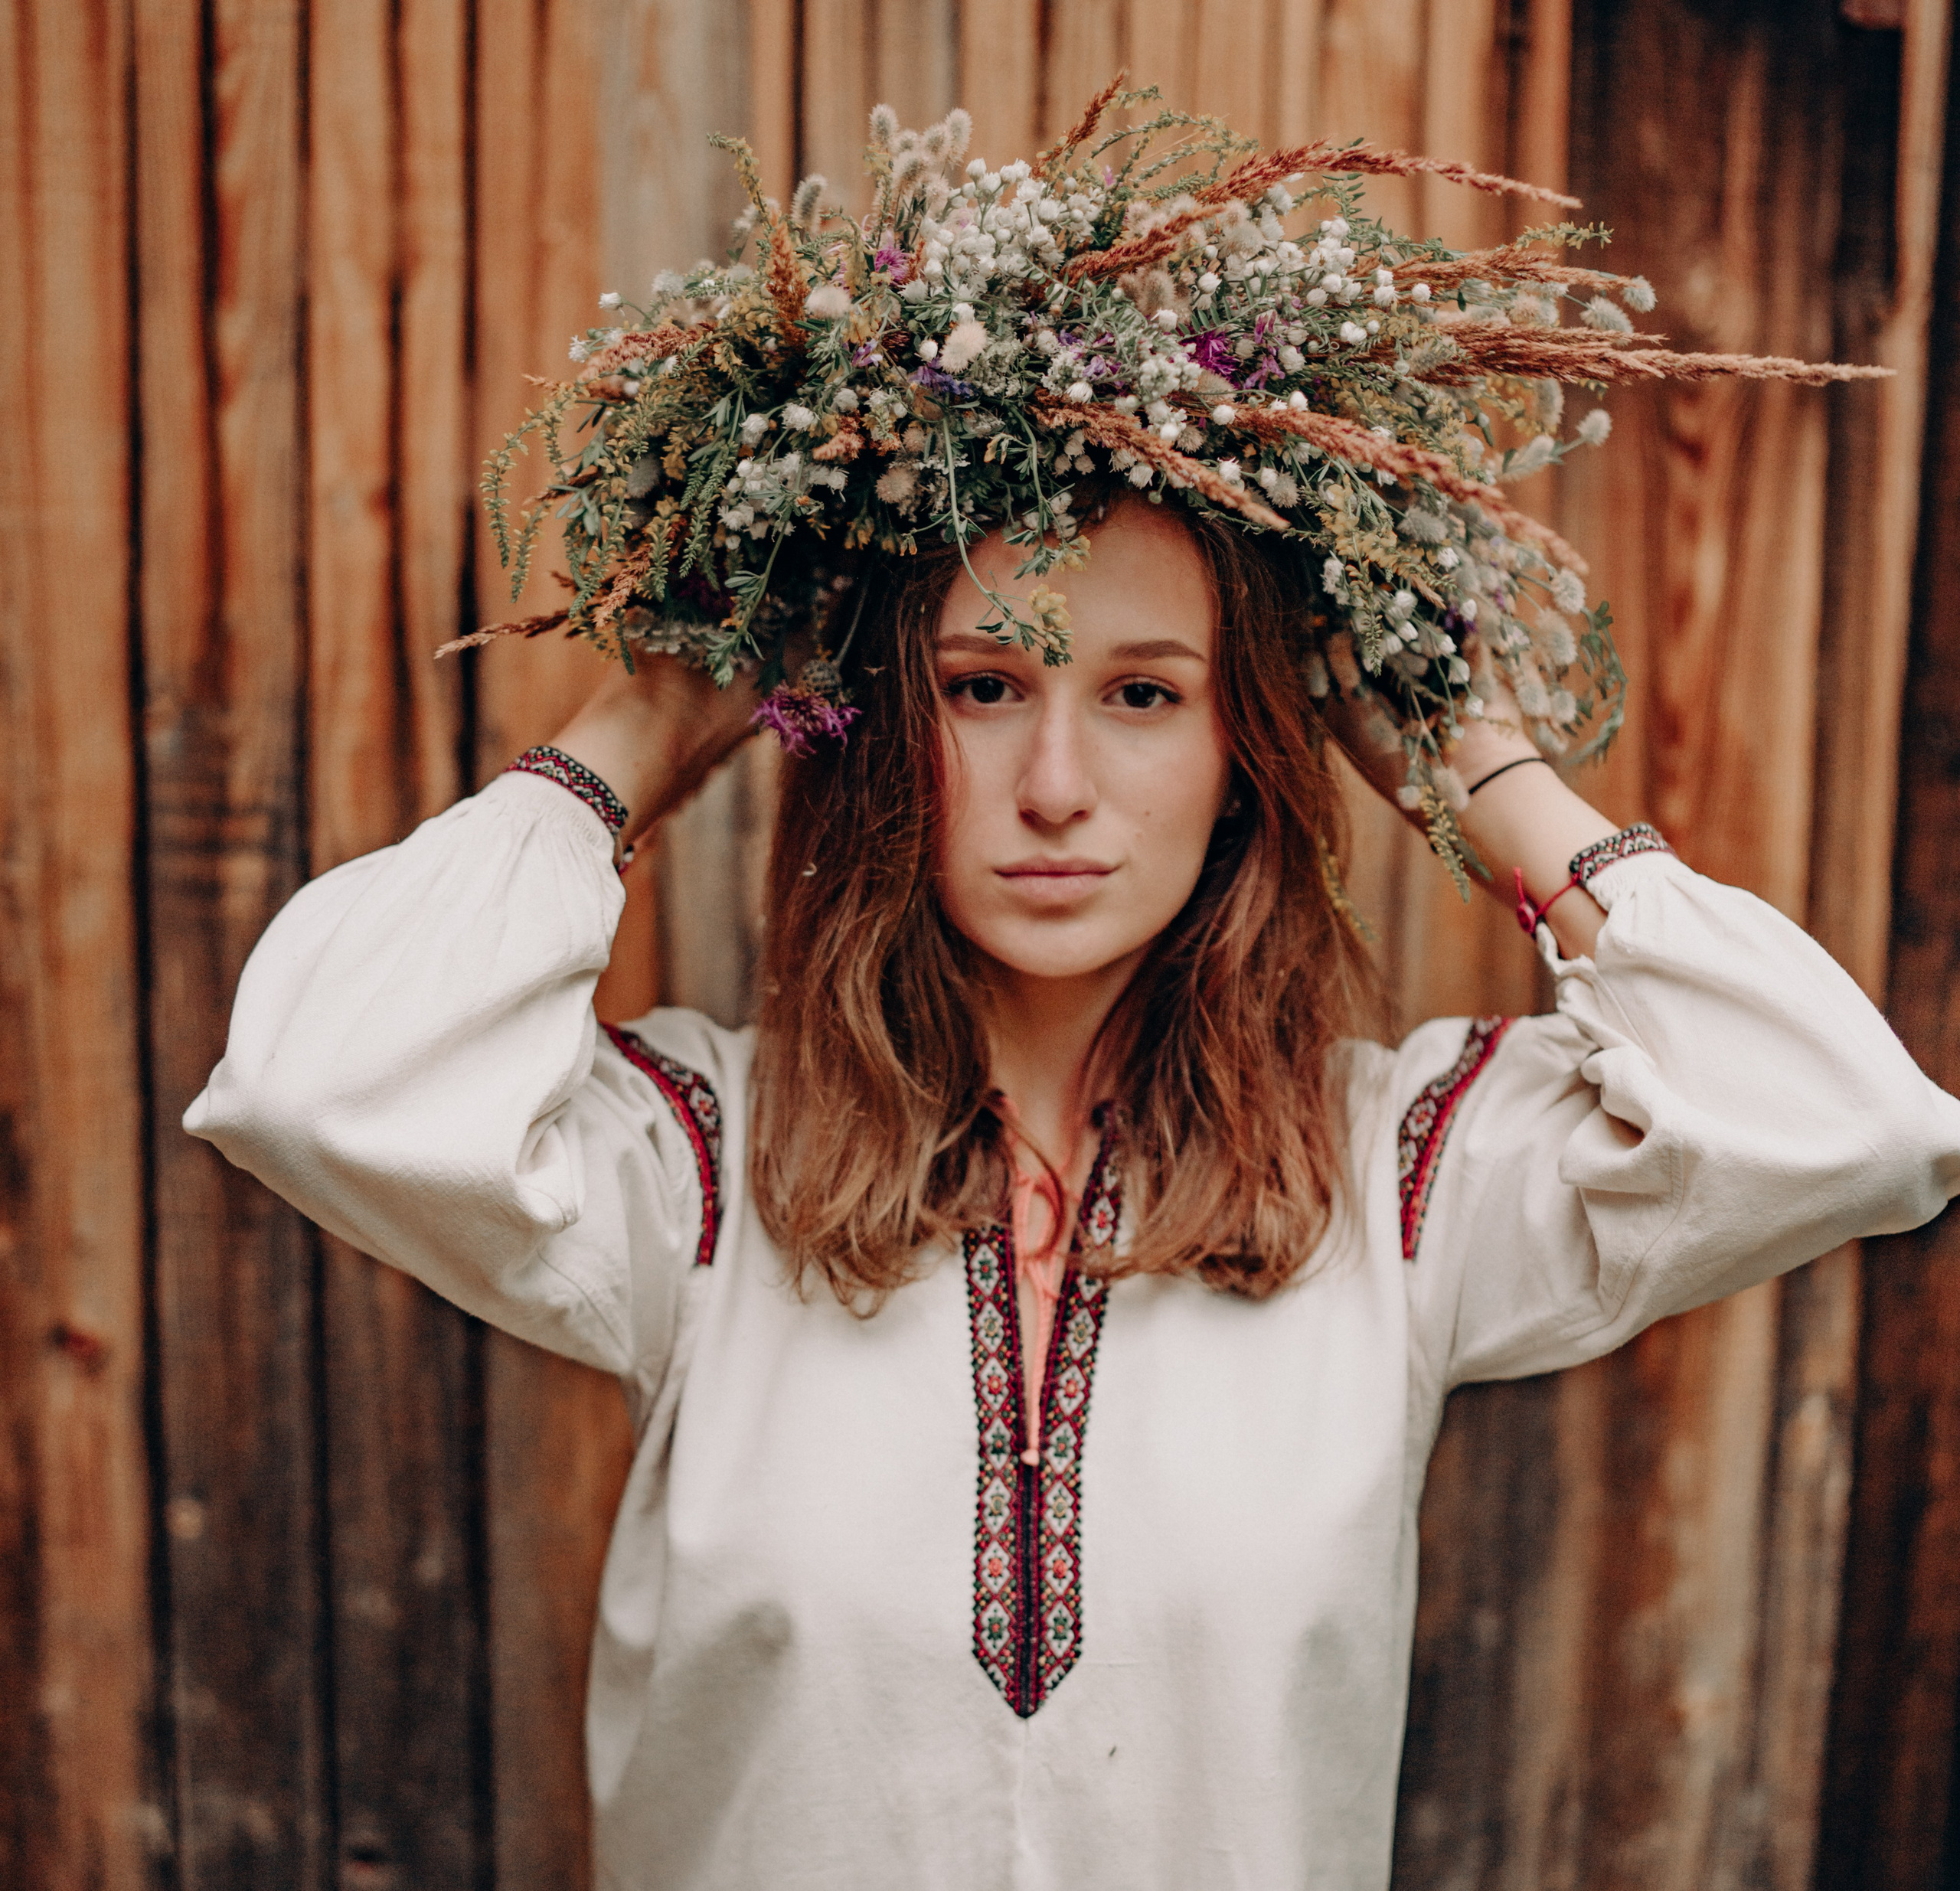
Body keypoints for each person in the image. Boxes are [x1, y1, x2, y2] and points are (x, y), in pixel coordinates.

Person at [187, 496, 1960, 1890]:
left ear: (1245, 748)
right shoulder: (701, 1167)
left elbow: (1851, 1126)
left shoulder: (1402, 1179)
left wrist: (1466, 761)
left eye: (1142, 694)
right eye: (980, 686)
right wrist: (649, 718)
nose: (1052, 786)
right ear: (885, 728)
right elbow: (316, 1079)